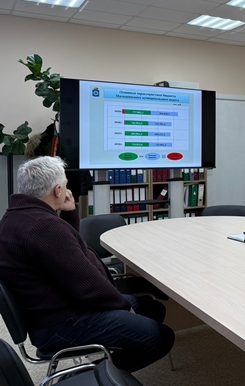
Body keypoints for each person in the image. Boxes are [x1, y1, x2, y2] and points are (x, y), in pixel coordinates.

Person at [0, 156, 174, 373]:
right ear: (57, 190)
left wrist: (69, 211)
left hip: (51, 311)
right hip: (61, 322)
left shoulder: (16, 218)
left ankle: (113, 358)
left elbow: (68, 248)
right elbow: (86, 284)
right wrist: (123, 308)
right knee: (162, 338)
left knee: (151, 308)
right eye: (65, 185)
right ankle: (88, 377)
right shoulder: (44, 227)